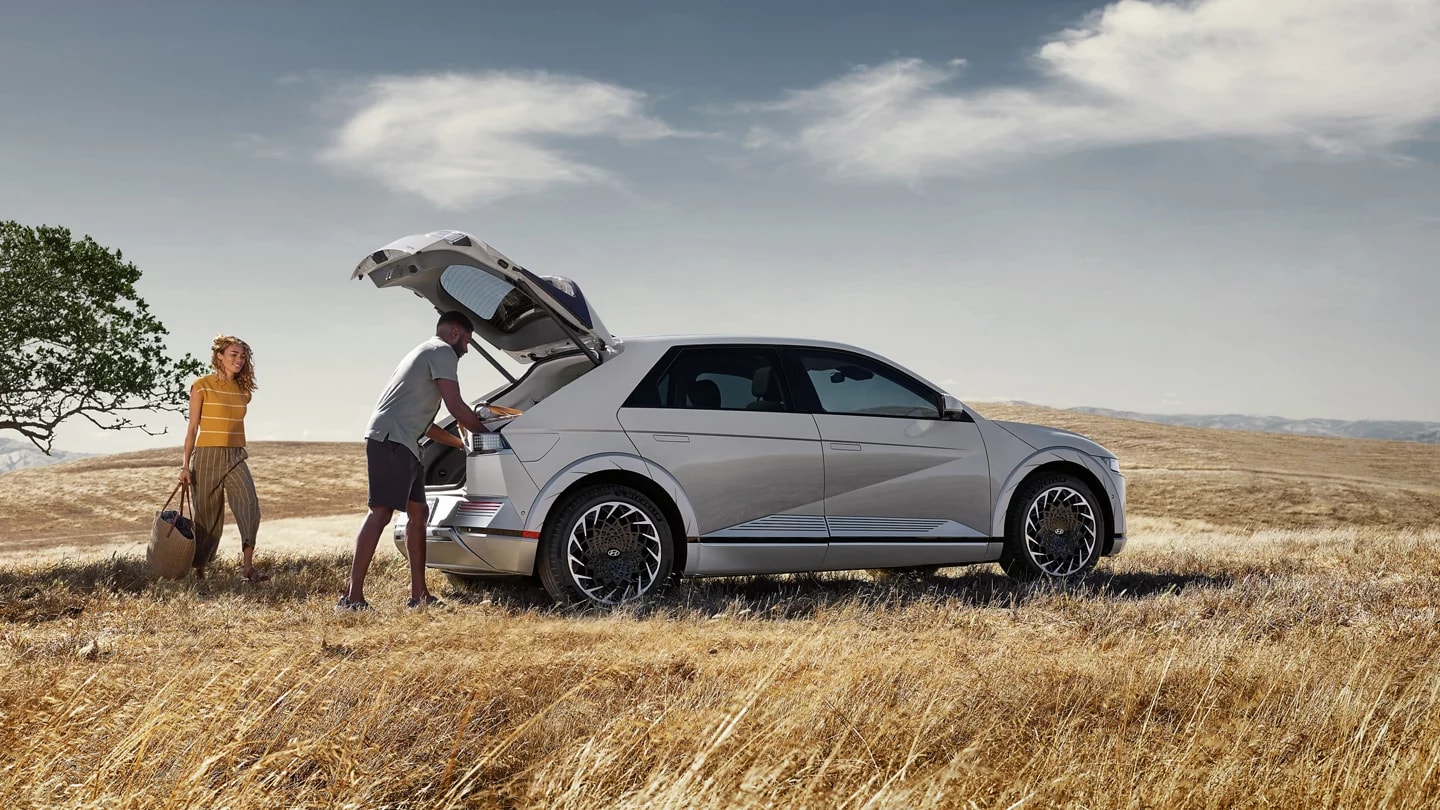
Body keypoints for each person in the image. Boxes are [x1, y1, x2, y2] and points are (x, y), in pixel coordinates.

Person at [339, 310, 488, 611]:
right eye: (468, 342)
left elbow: (426, 425)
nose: (467, 350)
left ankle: (419, 596)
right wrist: (488, 435)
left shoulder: (425, 353)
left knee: (418, 515)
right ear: (455, 333)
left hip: (405, 441)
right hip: (392, 440)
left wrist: (461, 443)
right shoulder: (442, 350)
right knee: (380, 513)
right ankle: (352, 599)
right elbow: (456, 406)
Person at [180, 334, 265, 581]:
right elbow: (192, 428)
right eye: (233, 355)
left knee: (249, 504)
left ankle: (248, 567)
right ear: (219, 356)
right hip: (207, 455)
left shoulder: (243, 390)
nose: (239, 360)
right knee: (207, 517)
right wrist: (185, 466)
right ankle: (199, 571)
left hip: (236, 454)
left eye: (242, 356)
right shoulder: (201, 385)